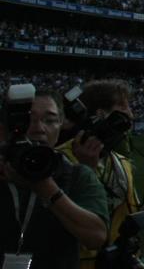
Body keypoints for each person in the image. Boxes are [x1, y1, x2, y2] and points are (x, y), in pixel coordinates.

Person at [58, 80, 144, 269]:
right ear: (101, 114)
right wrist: (87, 173)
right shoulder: (58, 161)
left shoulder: (121, 163)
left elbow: (131, 225)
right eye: (123, 107)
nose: (131, 115)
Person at [1, 87, 109, 269]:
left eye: (50, 120)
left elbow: (96, 237)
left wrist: (45, 187)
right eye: (27, 119)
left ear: (61, 125)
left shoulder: (77, 175)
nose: (38, 128)